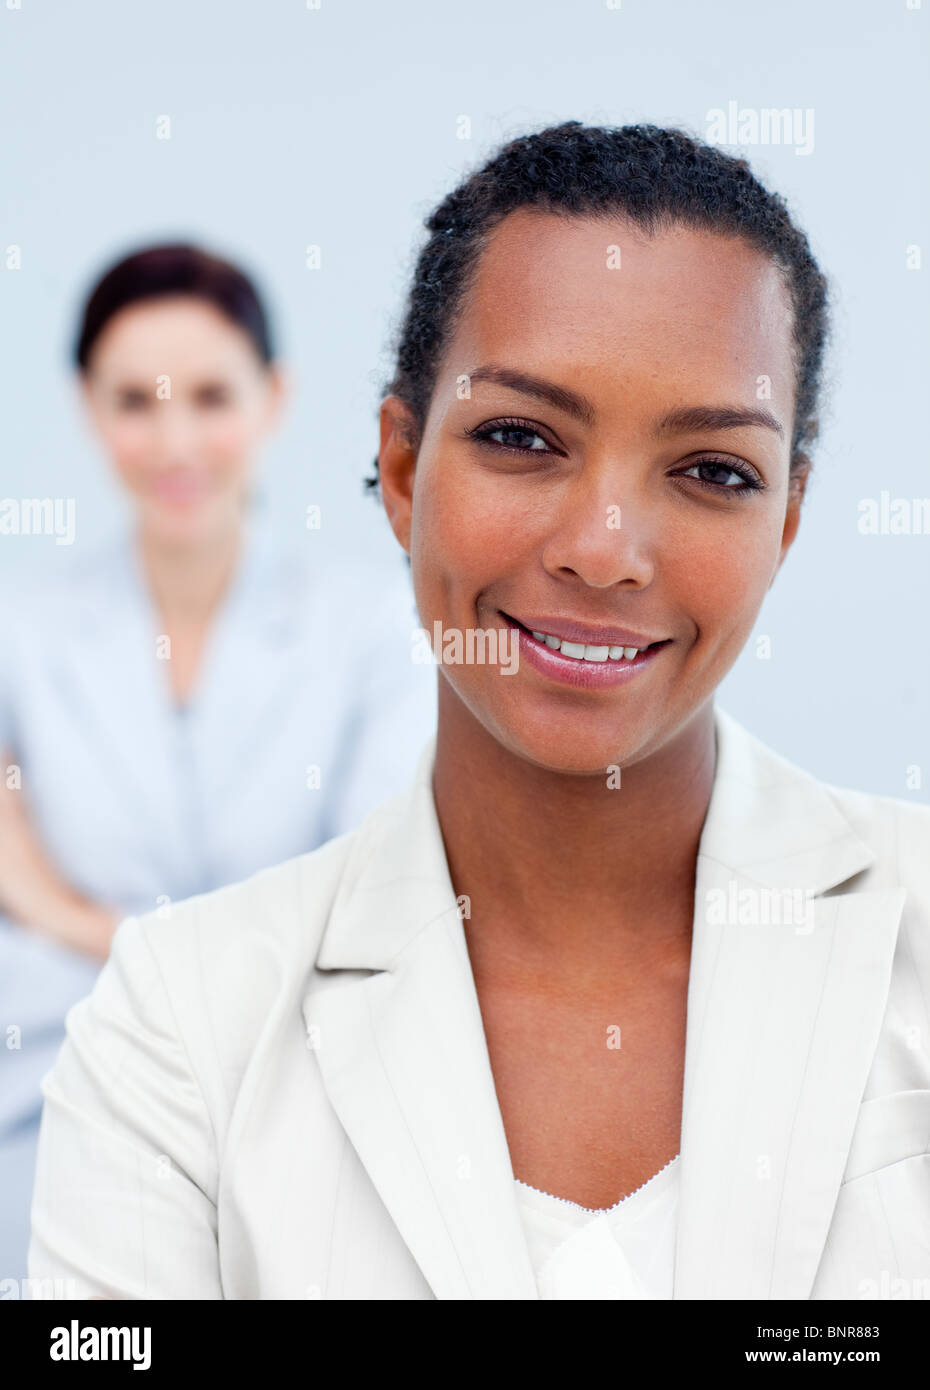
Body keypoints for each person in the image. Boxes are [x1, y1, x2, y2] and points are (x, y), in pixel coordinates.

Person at [27, 125, 930, 1301]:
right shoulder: (179, 1020)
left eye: (714, 470)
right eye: (520, 437)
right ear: (402, 471)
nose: (606, 552)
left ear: (787, 524)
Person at [1, 244, 434, 1282]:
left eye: (210, 395)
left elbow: (364, 909)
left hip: (299, 1091)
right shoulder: (23, 629)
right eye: (136, 402)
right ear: (87, 407)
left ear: (274, 397)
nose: (176, 440)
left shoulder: (374, 630)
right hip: (51, 1093)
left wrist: (73, 920)